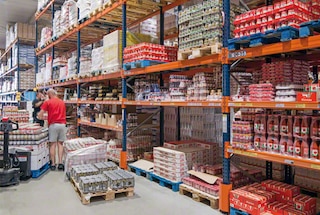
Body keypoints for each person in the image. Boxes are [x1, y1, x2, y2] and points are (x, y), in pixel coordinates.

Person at [38, 89, 67, 171]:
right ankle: (61, 163)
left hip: (53, 125)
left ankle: (53, 164)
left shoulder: (48, 102)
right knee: (60, 144)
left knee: (53, 145)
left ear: (50, 94)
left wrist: (40, 117)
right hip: (62, 124)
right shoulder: (62, 102)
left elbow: (40, 114)